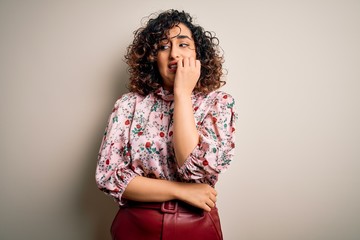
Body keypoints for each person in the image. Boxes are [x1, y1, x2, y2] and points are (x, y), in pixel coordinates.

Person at [95, 9, 236, 240]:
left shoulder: (218, 104)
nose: (174, 54)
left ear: (198, 54)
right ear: (152, 57)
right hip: (136, 226)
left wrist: (182, 93)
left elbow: (193, 169)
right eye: (163, 46)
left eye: (183, 44)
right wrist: (180, 191)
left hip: (195, 226)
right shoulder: (129, 104)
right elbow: (109, 176)